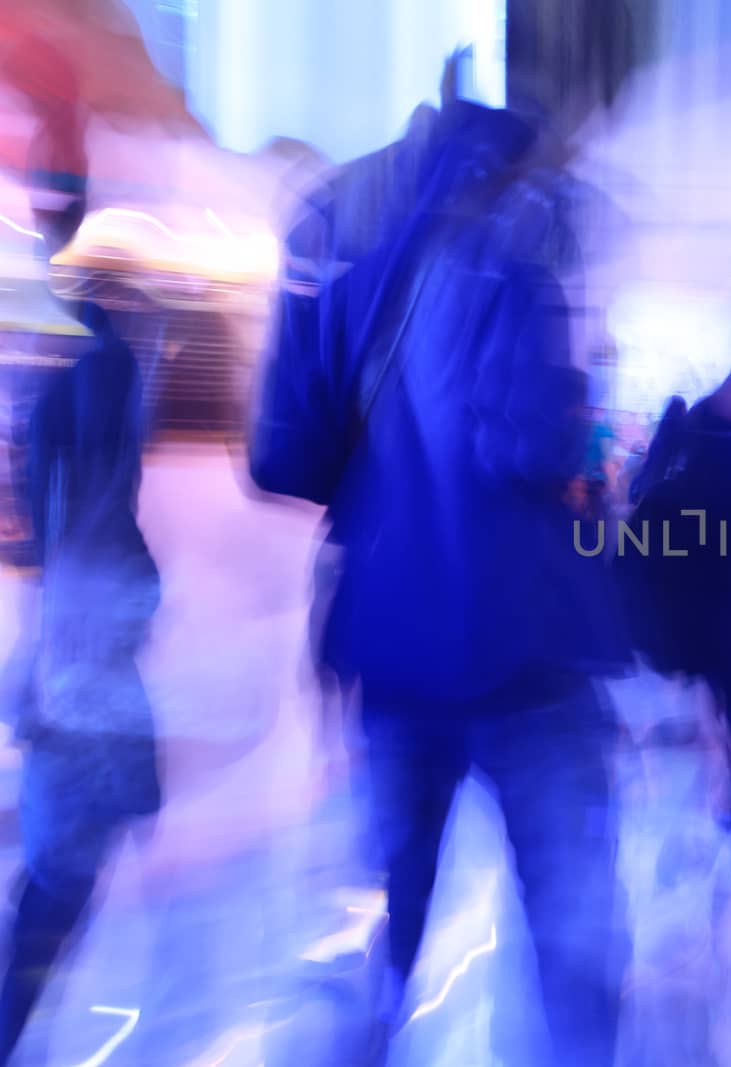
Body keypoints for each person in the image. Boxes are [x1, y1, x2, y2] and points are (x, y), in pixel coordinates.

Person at [249, 59, 632, 1064]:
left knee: (382, 914)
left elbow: (281, 456)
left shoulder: (337, 237)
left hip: (387, 642)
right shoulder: (526, 240)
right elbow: (537, 445)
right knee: (571, 931)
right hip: (530, 648)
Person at [0, 163, 162, 1061]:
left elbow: (50, 504)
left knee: (67, 861)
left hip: (78, 618)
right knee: (68, 863)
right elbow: (97, 499)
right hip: (88, 626)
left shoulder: (52, 350)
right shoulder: (101, 351)